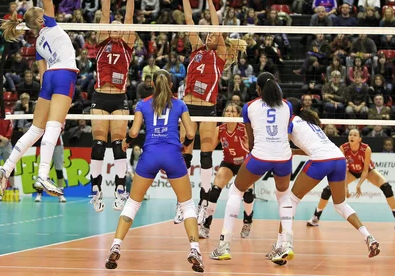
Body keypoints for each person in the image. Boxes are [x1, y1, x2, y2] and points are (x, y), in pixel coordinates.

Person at [105, 69, 203, 273]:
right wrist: (185, 145)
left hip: (150, 154)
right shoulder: (179, 103)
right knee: (187, 205)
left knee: (133, 203)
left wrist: (126, 142)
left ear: (152, 84)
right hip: (172, 154)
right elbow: (192, 132)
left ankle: (116, 245)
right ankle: (194, 249)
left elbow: (133, 131)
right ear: (171, 84)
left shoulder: (142, 104)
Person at [264, 98, 380, 262]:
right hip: (338, 159)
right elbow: (313, 147)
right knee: (340, 205)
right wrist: (296, 152)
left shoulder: (289, 122)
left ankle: (282, 245)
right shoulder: (310, 123)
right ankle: (369, 237)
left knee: (290, 201)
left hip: (321, 160)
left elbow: (277, 143)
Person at [0, 0, 78, 198]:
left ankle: (6, 168)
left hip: (49, 78)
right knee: (54, 126)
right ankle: (42, 174)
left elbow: (41, 76)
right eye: (43, 12)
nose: (47, 12)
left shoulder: (38, 44)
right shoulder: (49, 23)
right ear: (41, 21)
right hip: (64, 74)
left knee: (35, 129)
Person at [178, 0, 246, 224]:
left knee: (205, 156)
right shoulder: (196, 48)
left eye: (212, 34)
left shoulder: (219, 54)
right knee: (185, 154)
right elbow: (188, 20)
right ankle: (182, 201)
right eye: (205, 33)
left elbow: (217, 28)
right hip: (187, 107)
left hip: (207, 108)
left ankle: (204, 198)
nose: (208, 35)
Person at [210, 73, 293, 263]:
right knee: (284, 196)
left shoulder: (249, 107)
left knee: (236, 191)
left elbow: (251, 139)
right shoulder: (287, 105)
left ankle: (224, 245)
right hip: (283, 156)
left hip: (260, 155)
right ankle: (287, 243)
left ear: (257, 89)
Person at [89, 0, 140, 212]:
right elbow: (105, 15)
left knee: (118, 144)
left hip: (119, 98)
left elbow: (129, 18)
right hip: (100, 96)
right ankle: (96, 190)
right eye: (113, 26)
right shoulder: (101, 40)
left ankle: (120, 190)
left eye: (120, 26)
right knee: (99, 144)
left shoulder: (127, 43)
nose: (117, 27)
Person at [307, 128, 395, 229]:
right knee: (328, 190)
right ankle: (316, 216)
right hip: (351, 172)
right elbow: (343, 170)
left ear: (359, 139)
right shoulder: (343, 148)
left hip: (368, 171)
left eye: (355, 135)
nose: (352, 136)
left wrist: (359, 185)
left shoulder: (366, 149)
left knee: (387, 187)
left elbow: (365, 170)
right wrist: (345, 187)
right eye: (350, 134)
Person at [199, 104, 253, 239]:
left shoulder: (244, 129)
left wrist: (248, 146)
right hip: (228, 163)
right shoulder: (220, 129)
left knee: (248, 193)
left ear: (238, 115)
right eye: (227, 111)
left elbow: (254, 148)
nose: (229, 113)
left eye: (233, 111)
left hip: (244, 165)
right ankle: (206, 225)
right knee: (214, 191)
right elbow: (208, 149)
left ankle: (247, 221)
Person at [35, 133, 67, 203]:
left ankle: (60, 194)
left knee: (59, 169)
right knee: (42, 170)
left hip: (58, 144)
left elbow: (60, 128)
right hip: (46, 143)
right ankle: (39, 194)